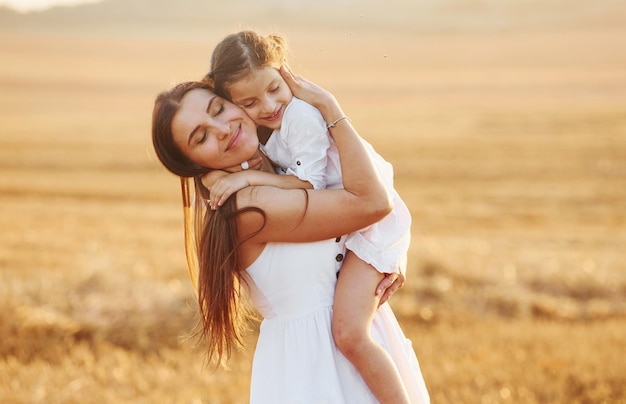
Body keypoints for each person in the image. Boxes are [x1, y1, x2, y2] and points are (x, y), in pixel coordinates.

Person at [151, 68, 429, 403]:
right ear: (192, 165)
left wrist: (388, 255)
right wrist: (331, 108)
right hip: (316, 369)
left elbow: (364, 217)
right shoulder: (248, 208)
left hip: (360, 347)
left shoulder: (281, 168)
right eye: (201, 137)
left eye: (219, 109)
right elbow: (372, 202)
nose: (223, 130)